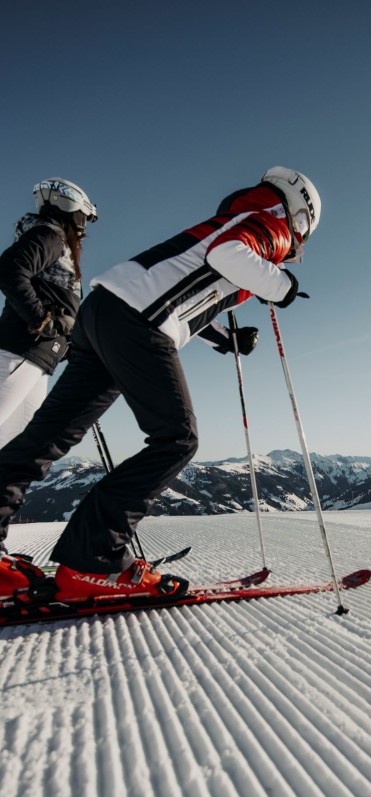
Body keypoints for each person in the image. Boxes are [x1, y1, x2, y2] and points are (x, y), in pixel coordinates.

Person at [0, 167, 321, 602]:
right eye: (302, 230)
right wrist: (282, 285)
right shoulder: (268, 221)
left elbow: (178, 289)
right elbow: (228, 256)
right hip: (138, 322)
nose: (297, 242)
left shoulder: (228, 221)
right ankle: (92, 560)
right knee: (177, 438)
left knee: (48, 435)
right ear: (298, 214)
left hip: (103, 314)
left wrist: (227, 339)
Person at [0, 178, 98, 448]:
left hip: (38, 357)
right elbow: (9, 269)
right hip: (20, 350)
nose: (84, 225)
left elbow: (57, 306)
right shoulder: (49, 235)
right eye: (85, 216)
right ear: (71, 206)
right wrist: (43, 320)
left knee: (16, 444)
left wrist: (65, 342)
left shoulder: (56, 240)